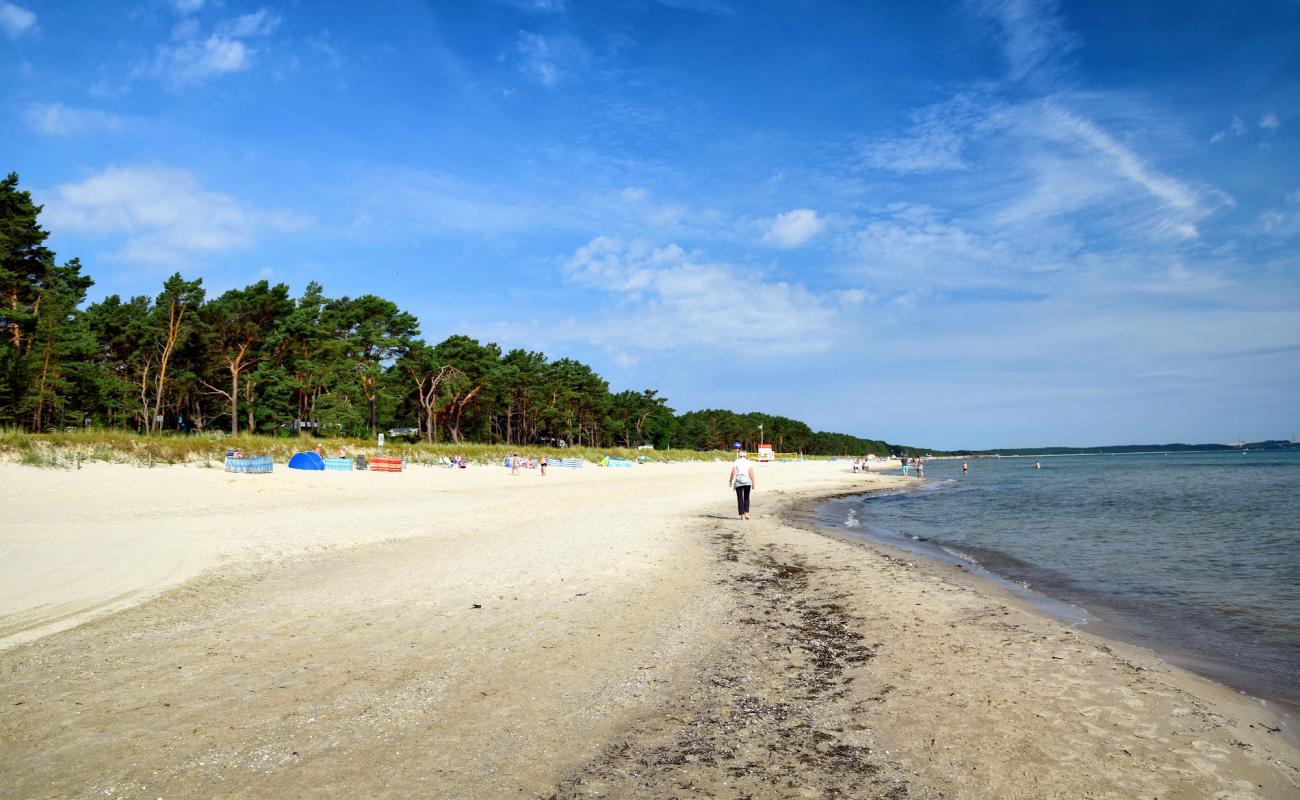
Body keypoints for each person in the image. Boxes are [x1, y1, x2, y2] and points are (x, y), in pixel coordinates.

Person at [729, 450, 756, 520]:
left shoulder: (736, 462)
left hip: (738, 481)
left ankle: (742, 515)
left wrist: (730, 481)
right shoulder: (748, 462)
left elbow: (733, 473)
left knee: (740, 498)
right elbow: (751, 473)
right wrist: (753, 483)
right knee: (747, 497)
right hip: (747, 481)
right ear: (745, 455)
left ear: (739, 455)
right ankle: (746, 513)